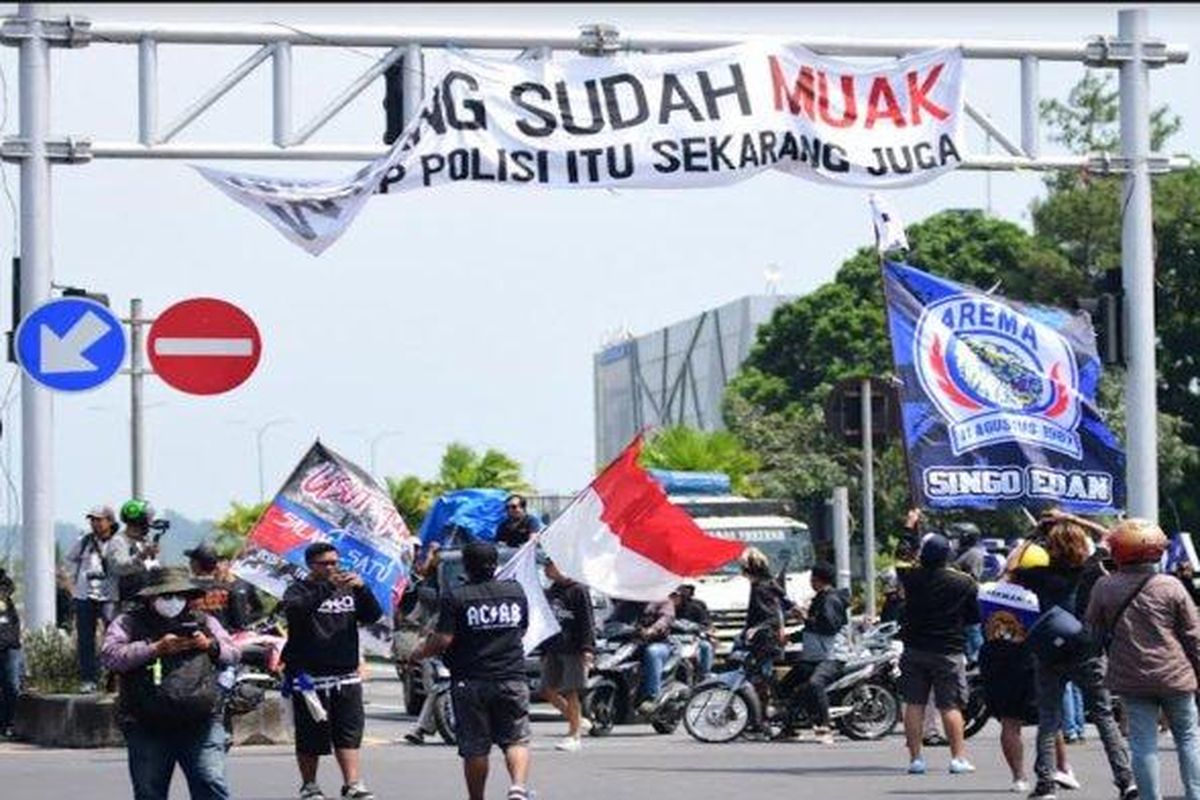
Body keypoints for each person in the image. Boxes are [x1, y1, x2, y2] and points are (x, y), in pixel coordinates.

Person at [1015, 514, 1136, 800]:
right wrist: (1070, 518)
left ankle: (1046, 784)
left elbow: (1014, 566)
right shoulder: (1093, 568)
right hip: (1087, 650)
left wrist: (1036, 533)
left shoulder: (1039, 575)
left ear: (1049, 546)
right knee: (1104, 716)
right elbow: (1112, 533)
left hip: (1050, 651)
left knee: (1048, 719)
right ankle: (1126, 781)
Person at [100, 567, 238, 800]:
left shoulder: (205, 622)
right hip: (147, 723)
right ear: (151, 598)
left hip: (201, 720)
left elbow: (234, 653)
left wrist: (210, 646)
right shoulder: (128, 622)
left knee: (210, 782)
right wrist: (154, 649)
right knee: (149, 792)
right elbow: (110, 656)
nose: (173, 601)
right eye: (166, 596)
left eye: (179, 596)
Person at [1087, 519, 1200, 800]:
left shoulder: (1104, 586)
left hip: (1131, 677)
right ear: (1158, 550)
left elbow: (1092, 631)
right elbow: (1193, 635)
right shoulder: (1171, 586)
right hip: (1176, 675)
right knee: (1188, 739)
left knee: (1142, 743)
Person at [411, 540, 532, 800]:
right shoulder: (515, 591)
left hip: (470, 679)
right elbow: (522, 629)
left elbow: (443, 639)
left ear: (467, 564)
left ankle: (477, 798)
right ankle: (518, 788)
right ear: (494, 564)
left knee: (476, 748)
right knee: (515, 739)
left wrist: (418, 652)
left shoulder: (456, 596)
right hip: (511, 676)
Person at [281, 542, 383, 800]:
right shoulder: (298, 590)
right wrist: (329, 587)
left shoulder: (348, 590)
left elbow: (373, 615)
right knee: (310, 735)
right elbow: (296, 611)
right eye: (324, 563)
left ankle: (352, 783)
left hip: (345, 673)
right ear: (310, 565)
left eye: (335, 562)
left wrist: (362, 588)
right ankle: (310, 785)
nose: (331, 567)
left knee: (348, 732)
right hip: (309, 677)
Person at [979, 542, 1078, 794]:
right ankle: (1063, 768)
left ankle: (1019, 777)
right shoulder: (1036, 599)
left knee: (1009, 724)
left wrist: (1013, 560)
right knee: (1049, 720)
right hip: (1030, 662)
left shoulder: (987, 590)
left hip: (995, 661)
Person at [897, 533, 979, 776]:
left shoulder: (910, 577)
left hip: (914, 648)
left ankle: (916, 759)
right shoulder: (963, 583)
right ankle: (957, 758)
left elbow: (901, 556)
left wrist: (909, 528)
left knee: (914, 704)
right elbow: (973, 617)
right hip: (948, 650)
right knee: (950, 705)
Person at [778, 562, 849, 743]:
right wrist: (791, 637)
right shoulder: (820, 598)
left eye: (812, 578)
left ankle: (825, 726)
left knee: (815, 684)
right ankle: (790, 727)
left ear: (817, 579)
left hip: (831, 657)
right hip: (814, 657)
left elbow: (828, 627)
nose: (810, 581)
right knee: (785, 685)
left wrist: (804, 617)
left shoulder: (830, 600)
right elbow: (811, 628)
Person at [540, 556, 595, 751]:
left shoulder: (578, 590)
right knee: (547, 689)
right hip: (553, 646)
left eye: (549, 565)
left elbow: (587, 621)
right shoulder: (551, 591)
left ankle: (574, 735)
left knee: (571, 691)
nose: (546, 570)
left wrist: (587, 649)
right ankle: (578, 719)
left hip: (573, 647)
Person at [65, 505, 121, 692]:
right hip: (84, 596)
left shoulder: (118, 542)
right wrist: (73, 582)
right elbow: (70, 558)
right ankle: (88, 679)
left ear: (110, 521)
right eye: (92, 520)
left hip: (109, 597)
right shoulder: (85, 541)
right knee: (85, 640)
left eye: (99, 519)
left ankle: (113, 677)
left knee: (113, 638)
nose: (95, 523)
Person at [109, 500, 163, 605]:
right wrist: (142, 555)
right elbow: (119, 568)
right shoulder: (119, 541)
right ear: (139, 522)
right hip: (124, 602)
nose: (149, 525)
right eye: (147, 521)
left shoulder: (145, 541)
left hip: (146, 598)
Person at [186, 543, 235, 631]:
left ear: (196, 563)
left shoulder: (188, 587)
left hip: (197, 635)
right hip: (222, 635)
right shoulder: (228, 588)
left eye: (191, 560)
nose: (189, 563)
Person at [671, 584, 714, 676]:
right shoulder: (665, 608)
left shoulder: (696, 607)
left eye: (677, 596)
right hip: (671, 639)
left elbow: (705, 624)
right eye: (672, 596)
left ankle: (705, 674)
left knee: (706, 646)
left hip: (693, 638)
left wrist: (691, 627)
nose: (674, 599)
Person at [0, 566, 21, 739]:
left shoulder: (4, 587)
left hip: (9, 645)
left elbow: (9, 585)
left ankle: (10, 725)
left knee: (12, 687)